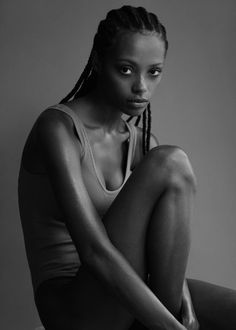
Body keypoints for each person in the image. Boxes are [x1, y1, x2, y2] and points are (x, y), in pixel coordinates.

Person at [18, 5, 236, 330]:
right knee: (171, 161)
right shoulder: (57, 129)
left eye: (154, 72)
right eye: (126, 69)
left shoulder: (141, 143)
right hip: (73, 308)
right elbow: (94, 251)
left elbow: (162, 250)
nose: (142, 87)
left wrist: (186, 313)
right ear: (98, 62)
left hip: (127, 291)